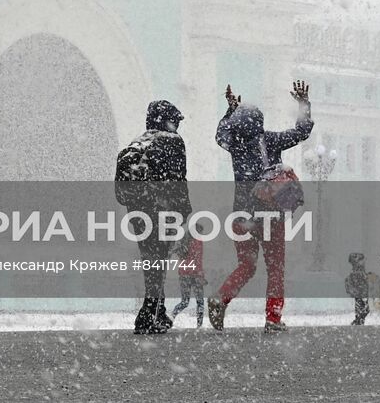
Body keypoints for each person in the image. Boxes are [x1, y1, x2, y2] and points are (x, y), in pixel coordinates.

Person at [207, 80, 314, 333]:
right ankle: (273, 319)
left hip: (241, 216)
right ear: (260, 122)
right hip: (269, 216)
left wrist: (230, 112)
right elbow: (301, 132)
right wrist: (303, 104)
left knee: (247, 265)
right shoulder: (271, 141)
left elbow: (220, 135)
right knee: (275, 268)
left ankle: (220, 297)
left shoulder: (235, 146)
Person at [115, 99, 191, 334]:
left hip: (138, 212)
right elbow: (178, 179)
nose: (177, 125)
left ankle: (157, 311)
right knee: (158, 261)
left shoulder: (138, 141)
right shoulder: (172, 141)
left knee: (152, 261)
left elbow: (122, 188)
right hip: (161, 208)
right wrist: (184, 211)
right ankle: (148, 314)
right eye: (175, 120)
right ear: (168, 120)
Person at [170, 235, 206, 328]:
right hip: (196, 275)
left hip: (184, 275)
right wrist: (201, 275)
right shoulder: (198, 242)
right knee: (200, 302)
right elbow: (197, 261)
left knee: (184, 302)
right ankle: (199, 325)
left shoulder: (183, 242)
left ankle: (171, 317)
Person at [346, 252, 370, 325]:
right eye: (362, 260)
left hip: (361, 292)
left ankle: (358, 321)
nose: (364, 262)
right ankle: (358, 321)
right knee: (364, 309)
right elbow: (362, 280)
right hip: (361, 292)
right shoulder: (357, 270)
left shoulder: (358, 269)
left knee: (361, 309)